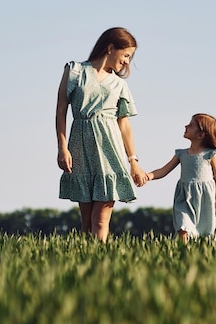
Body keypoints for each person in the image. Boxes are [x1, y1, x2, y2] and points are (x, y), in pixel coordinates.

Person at [55, 27, 149, 242]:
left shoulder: (119, 84)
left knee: (100, 219)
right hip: (80, 147)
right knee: (86, 219)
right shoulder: (75, 71)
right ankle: (87, 262)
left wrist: (133, 161)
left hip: (110, 149)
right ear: (110, 48)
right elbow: (61, 109)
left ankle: (101, 258)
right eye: (126, 55)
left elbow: (124, 124)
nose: (127, 62)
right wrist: (62, 147)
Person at [146, 113, 216, 243]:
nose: (186, 126)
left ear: (201, 135)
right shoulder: (181, 154)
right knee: (182, 228)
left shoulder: (210, 154)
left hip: (205, 199)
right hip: (184, 197)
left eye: (191, 125)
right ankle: (184, 254)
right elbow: (163, 170)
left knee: (207, 232)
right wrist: (148, 176)